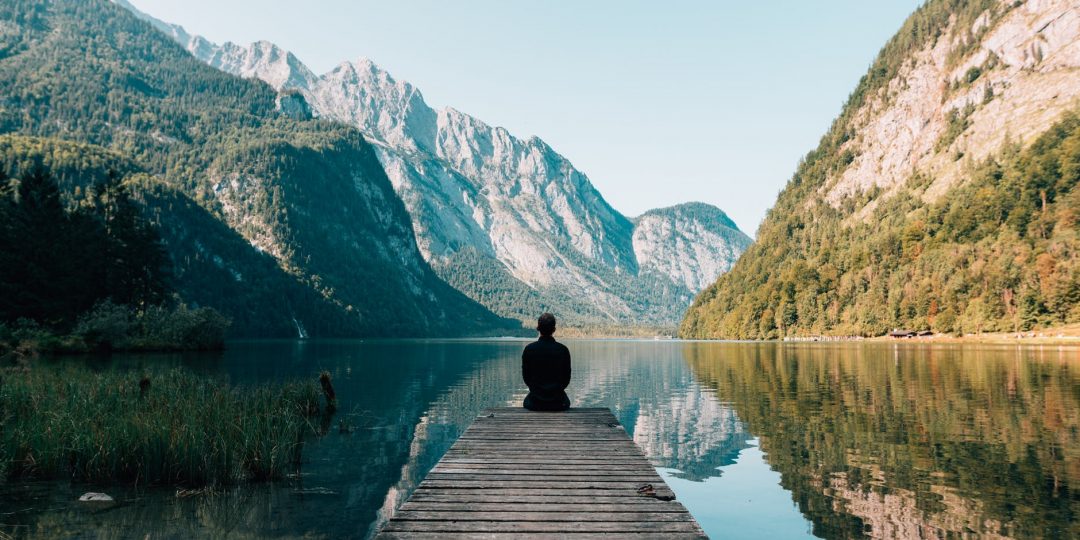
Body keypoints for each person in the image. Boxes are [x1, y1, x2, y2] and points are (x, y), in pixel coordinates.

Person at [521, 313, 571, 411]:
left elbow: (526, 377)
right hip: (558, 403)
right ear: (554, 329)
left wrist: (537, 391)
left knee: (527, 401)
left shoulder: (529, 349)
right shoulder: (563, 350)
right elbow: (566, 378)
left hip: (535, 402)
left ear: (538, 328)